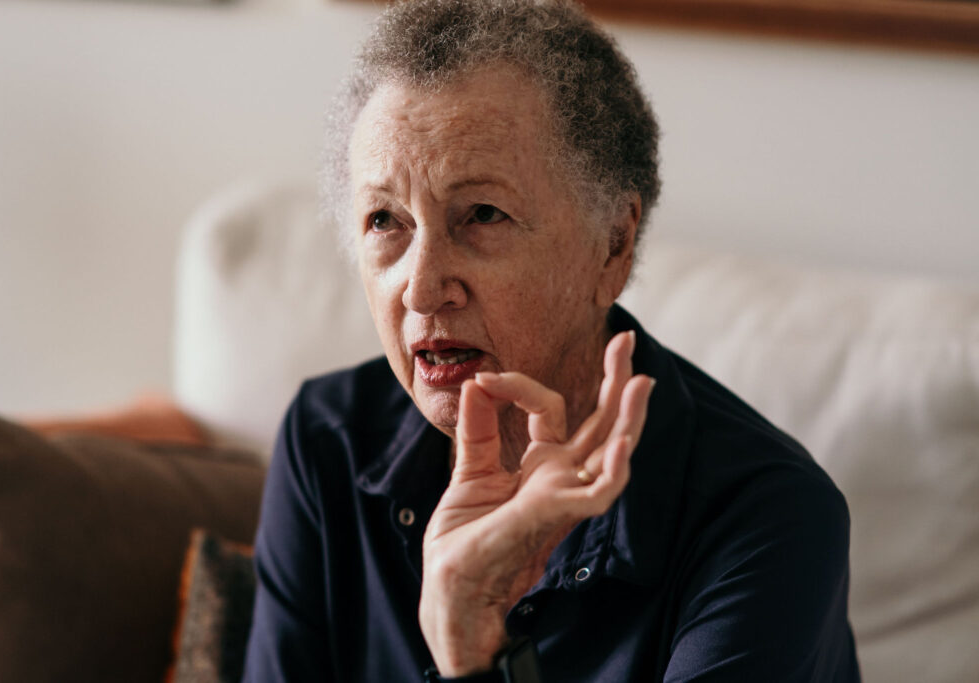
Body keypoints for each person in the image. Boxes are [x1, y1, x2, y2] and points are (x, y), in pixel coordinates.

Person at [243, 0, 860, 680]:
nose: (421, 290)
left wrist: (471, 654)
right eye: (385, 220)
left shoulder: (771, 517)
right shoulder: (325, 442)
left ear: (613, 245)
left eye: (481, 213)